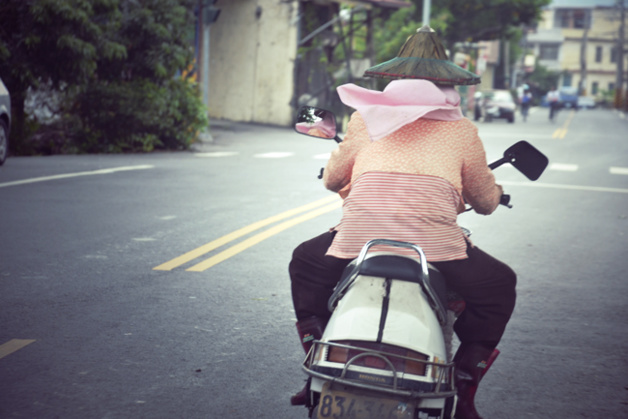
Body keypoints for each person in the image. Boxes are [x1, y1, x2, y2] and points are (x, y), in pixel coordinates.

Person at [289, 26, 516, 419]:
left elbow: (332, 180)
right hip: (436, 249)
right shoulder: (462, 131)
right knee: (500, 285)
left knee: (305, 262)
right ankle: (463, 385)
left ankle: (316, 357)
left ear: (393, 80)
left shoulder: (363, 120)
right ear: (446, 86)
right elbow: (483, 200)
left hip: (359, 241)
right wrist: (494, 197)